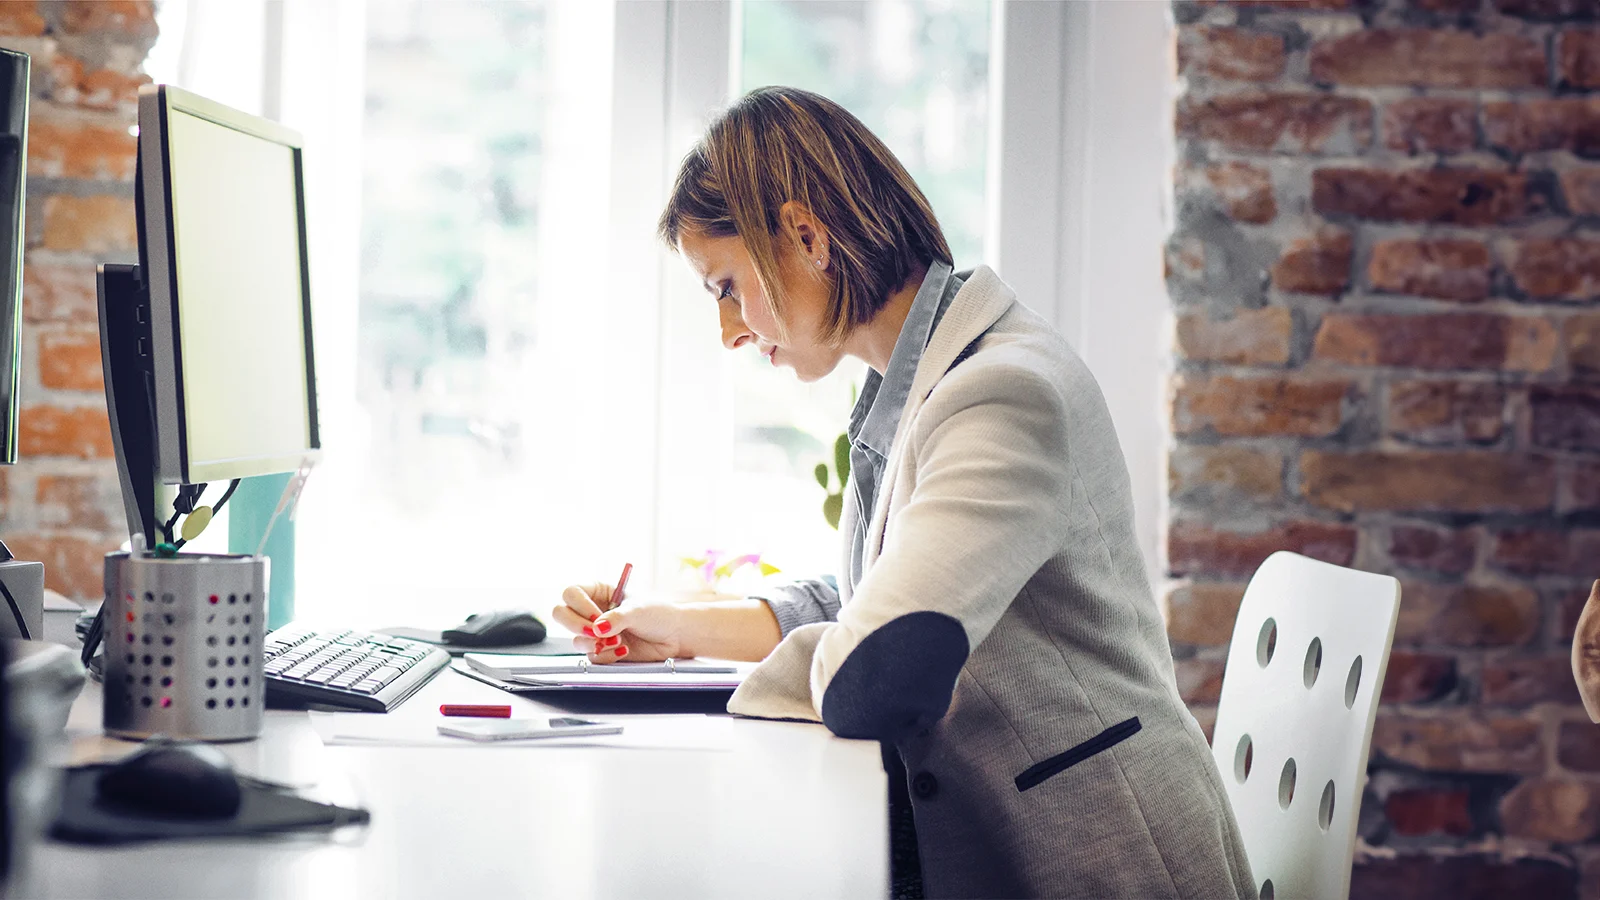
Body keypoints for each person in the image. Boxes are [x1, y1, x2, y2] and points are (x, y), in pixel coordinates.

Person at [551, 86, 1254, 900]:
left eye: (725, 288)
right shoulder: (914, 386)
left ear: (807, 235)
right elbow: (868, 601)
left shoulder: (999, 395)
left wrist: (766, 680)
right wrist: (675, 628)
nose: (729, 331)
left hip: (1103, 868)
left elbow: (878, 672)